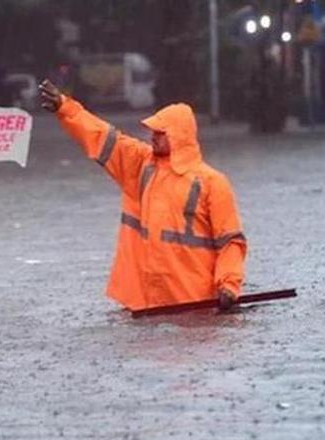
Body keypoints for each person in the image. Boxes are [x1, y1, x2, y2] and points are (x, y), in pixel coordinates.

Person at [39, 79, 247, 312]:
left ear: (178, 136)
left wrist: (228, 285)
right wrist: (65, 108)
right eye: (154, 132)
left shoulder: (212, 182)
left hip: (194, 304)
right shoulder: (142, 165)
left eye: (160, 132)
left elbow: (231, 241)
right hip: (146, 303)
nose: (153, 136)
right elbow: (103, 137)